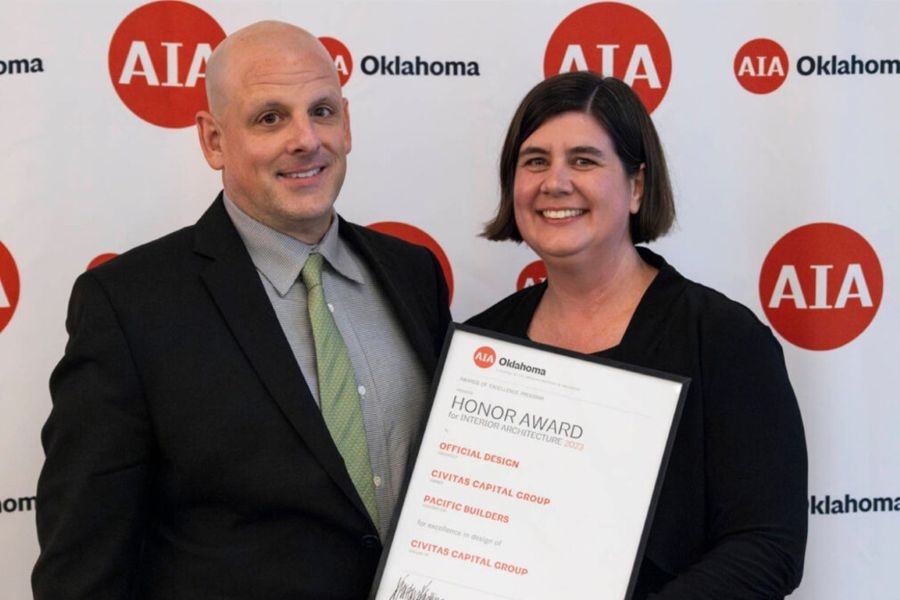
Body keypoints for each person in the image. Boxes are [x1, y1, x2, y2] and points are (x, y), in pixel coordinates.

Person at [33, 20, 450, 600]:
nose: (305, 139)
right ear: (213, 140)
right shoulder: (129, 305)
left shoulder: (413, 274)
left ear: (347, 124)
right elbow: (82, 566)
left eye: (322, 111)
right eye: (270, 118)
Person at [467, 72, 807, 599]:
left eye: (584, 160)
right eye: (535, 161)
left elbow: (767, 549)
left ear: (637, 187)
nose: (555, 182)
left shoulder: (722, 339)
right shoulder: (484, 343)